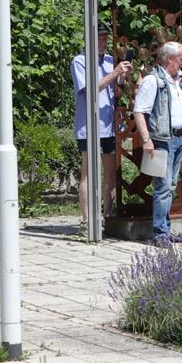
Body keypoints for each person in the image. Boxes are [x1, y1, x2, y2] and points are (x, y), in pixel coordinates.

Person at [71, 22, 133, 234]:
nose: (103, 41)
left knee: (110, 171)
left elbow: (116, 92)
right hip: (89, 125)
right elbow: (89, 89)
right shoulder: (80, 61)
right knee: (88, 172)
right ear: (89, 39)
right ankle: (87, 220)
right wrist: (115, 72)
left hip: (110, 124)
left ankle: (108, 216)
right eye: (99, 37)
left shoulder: (109, 61)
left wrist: (123, 78)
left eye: (105, 37)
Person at [133, 41, 182, 247]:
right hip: (162, 140)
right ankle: (160, 233)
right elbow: (139, 110)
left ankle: (165, 229)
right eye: (181, 59)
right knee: (163, 187)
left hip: (178, 139)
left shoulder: (177, 82)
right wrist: (146, 139)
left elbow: (180, 108)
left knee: (170, 186)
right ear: (169, 59)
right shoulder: (152, 80)